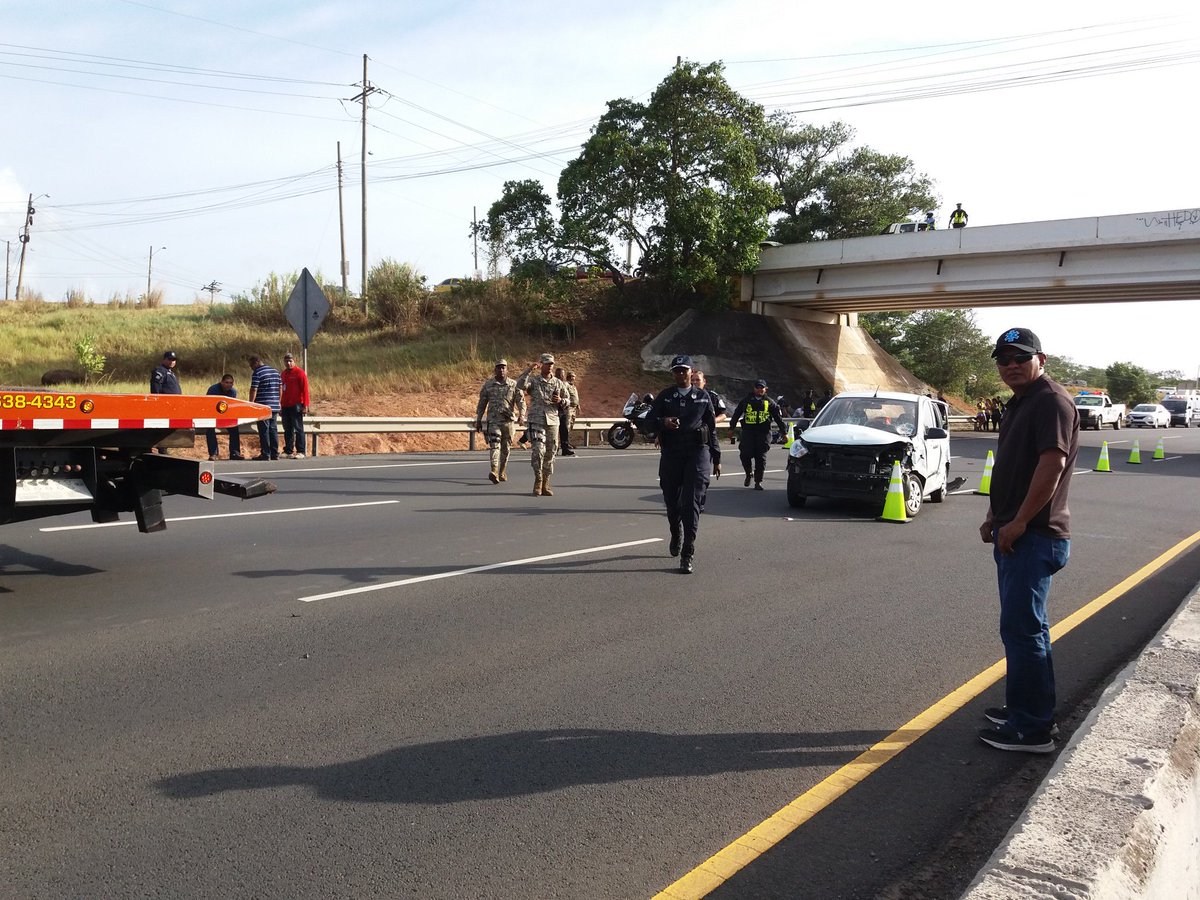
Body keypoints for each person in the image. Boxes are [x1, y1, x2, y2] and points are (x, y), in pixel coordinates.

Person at [978, 327, 1079, 754]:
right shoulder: (1021, 402)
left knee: (1024, 631)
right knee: (1023, 629)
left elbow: (1051, 465)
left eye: (1020, 357)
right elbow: (1013, 467)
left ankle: (1032, 728)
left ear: (1042, 358)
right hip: (1016, 530)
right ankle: (1025, 708)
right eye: (1003, 360)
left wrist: (1019, 522)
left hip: (1034, 536)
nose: (1011, 366)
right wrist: (994, 515)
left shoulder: (1050, 401)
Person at [645, 355, 721, 574]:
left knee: (691, 504)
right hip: (672, 454)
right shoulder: (666, 396)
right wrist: (663, 423)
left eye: (684, 370)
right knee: (672, 503)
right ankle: (675, 532)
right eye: (676, 371)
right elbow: (648, 423)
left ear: (691, 372)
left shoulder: (703, 397)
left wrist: (716, 458)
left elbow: (712, 429)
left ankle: (688, 551)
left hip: (697, 453)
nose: (680, 374)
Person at [515, 353, 570, 496]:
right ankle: (538, 479)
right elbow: (520, 385)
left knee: (551, 452)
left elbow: (568, 400)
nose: (550, 366)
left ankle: (546, 481)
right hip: (537, 420)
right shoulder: (534, 381)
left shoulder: (558, 383)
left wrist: (560, 401)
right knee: (538, 451)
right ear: (541, 365)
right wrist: (529, 370)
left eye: (552, 363)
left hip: (553, 420)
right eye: (547, 363)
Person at [728, 379, 787, 490]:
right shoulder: (746, 400)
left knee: (761, 457)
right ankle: (748, 473)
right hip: (748, 432)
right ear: (754, 388)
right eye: (758, 387)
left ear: (765, 389)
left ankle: (758, 481)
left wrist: (784, 433)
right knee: (744, 454)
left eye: (762, 387)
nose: (760, 389)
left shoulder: (770, 402)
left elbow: (778, 419)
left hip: (763, 433)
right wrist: (731, 428)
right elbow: (736, 414)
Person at [474, 359, 525, 484]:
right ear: (495, 369)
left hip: (508, 422)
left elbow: (521, 401)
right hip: (494, 422)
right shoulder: (488, 385)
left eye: (503, 367)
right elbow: (482, 403)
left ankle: (502, 470)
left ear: (507, 369)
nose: (501, 370)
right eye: (499, 367)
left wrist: (522, 415)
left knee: (506, 448)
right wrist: (479, 419)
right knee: (495, 446)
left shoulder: (513, 384)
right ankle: (494, 470)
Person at [248, 355, 282, 461]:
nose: (251, 368)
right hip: (275, 405)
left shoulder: (257, 373)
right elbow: (280, 388)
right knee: (273, 429)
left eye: (251, 365)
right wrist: (278, 401)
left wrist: (251, 403)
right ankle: (275, 453)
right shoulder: (276, 372)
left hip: (263, 405)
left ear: (256, 363)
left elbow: (254, 389)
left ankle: (266, 453)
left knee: (264, 430)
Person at [204, 374, 243, 461]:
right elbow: (209, 405)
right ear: (221, 382)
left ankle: (235, 453)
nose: (228, 384)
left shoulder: (233, 391)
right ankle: (213, 454)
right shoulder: (213, 390)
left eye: (231, 383)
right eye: (226, 382)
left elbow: (232, 407)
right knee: (210, 430)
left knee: (234, 428)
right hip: (212, 414)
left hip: (225, 415)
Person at [280, 352, 310, 459]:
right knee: (287, 428)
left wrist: (305, 405)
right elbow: (281, 390)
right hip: (285, 405)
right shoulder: (283, 374)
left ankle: (301, 451)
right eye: (286, 361)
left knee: (298, 428)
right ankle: (288, 450)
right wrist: (280, 405)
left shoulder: (299, 373)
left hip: (296, 404)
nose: (288, 363)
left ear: (294, 361)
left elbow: (305, 390)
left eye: (290, 361)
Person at [553, 366, 578, 457]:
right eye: (560, 374)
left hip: (563, 410)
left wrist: (562, 401)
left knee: (564, 430)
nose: (561, 376)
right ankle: (554, 449)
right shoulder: (552, 383)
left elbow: (568, 398)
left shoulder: (563, 385)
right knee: (554, 432)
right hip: (553, 411)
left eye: (562, 374)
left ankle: (565, 448)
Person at [564, 371, 580, 454]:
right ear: (569, 377)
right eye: (572, 376)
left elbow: (576, 397)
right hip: (569, 408)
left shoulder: (573, 386)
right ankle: (565, 443)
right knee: (567, 425)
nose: (573, 378)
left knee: (571, 425)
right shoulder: (566, 384)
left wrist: (578, 406)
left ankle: (568, 442)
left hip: (574, 408)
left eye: (574, 377)